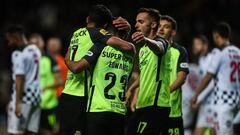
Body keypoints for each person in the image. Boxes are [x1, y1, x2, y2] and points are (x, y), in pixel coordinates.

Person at [60, 4, 134, 135]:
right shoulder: (99, 35)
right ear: (105, 26)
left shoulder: (76, 33)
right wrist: (129, 31)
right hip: (82, 95)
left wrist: (67, 59)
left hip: (67, 92)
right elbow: (125, 47)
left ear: (88, 19)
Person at [191, 22, 240, 135]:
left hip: (223, 102)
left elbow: (209, 77)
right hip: (237, 101)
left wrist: (196, 95)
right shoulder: (238, 52)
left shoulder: (218, 52)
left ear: (216, 36)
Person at [127, 8, 169, 135]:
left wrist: (145, 40)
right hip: (143, 103)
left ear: (153, 25)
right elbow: (144, 76)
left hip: (156, 104)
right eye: (136, 22)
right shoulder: (143, 49)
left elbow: (160, 48)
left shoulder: (161, 41)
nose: (136, 25)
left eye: (140, 21)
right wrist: (132, 90)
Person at [6, 25, 41, 135]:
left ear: (15, 37)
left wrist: (17, 103)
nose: (9, 43)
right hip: (36, 97)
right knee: (30, 131)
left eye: (9, 39)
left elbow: (19, 79)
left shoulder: (19, 54)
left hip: (24, 97)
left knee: (15, 132)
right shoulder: (35, 50)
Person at [158, 15, 189, 135]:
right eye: (160, 26)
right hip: (151, 109)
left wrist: (163, 92)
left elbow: (181, 78)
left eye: (166, 27)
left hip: (172, 111)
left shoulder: (180, 51)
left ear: (173, 32)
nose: (161, 29)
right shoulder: (150, 49)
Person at [29, 33, 63, 135]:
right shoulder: (28, 59)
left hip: (49, 105)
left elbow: (60, 81)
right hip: (33, 103)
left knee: (53, 130)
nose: (33, 47)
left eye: (36, 43)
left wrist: (45, 88)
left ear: (42, 44)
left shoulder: (50, 59)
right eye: (31, 44)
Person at [192, 35, 216, 135]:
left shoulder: (210, 59)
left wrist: (198, 98)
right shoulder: (201, 60)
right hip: (205, 103)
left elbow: (212, 83)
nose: (194, 47)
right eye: (194, 44)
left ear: (205, 46)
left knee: (212, 132)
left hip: (213, 103)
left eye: (197, 44)